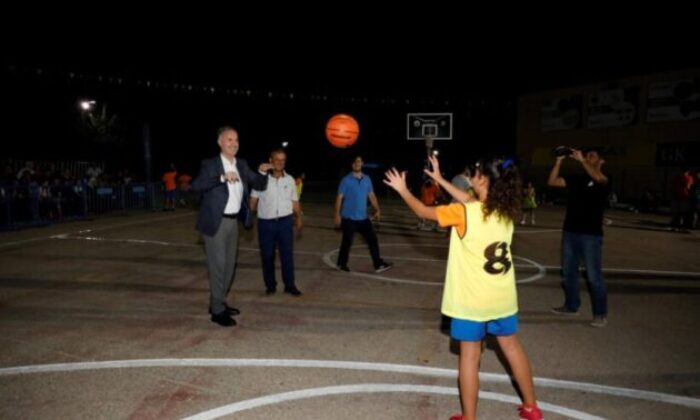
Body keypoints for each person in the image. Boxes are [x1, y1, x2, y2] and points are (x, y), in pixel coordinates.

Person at [383, 155, 542, 420]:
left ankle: (469, 417)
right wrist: (439, 179)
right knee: (512, 348)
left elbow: (424, 212)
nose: (471, 178)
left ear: (484, 181)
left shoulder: (463, 213)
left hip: (472, 301)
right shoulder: (505, 211)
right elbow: (472, 201)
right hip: (501, 297)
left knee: (469, 356)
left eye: (476, 174)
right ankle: (531, 406)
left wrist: (402, 190)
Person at [191, 126, 272, 327]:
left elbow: (259, 184)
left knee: (228, 268)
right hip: (216, 222)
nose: (234, 143)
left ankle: (217, 302)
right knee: (218, 267)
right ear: (220, 142)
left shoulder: (242, 164)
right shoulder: (210, 164)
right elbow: (196, 186)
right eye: (229, 139)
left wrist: (262, 172)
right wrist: (221, 178)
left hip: (233, 222)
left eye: (236, 139)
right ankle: (217, 312)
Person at [548, 147, 609, 328]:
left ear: (601, 161)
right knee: (568, 273)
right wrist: (559, 161)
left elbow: (598, 178)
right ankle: (571, 305)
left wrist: (582, 160)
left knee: (593, 276)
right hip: (570, 232)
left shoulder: (605, 179)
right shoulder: (577, 179)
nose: (588, 157)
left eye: (592, 155)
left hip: (591, 235)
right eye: (586, 154)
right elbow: (552, 181)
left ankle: (600, 313)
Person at [250, 148, 303, 296]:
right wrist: (248, 215)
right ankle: (270, 285)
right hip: (266, 224)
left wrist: (298, 218)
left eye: (283, 160)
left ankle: (290, 285)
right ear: (270, 160)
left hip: (285, 223)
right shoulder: (261, 180)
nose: (280, 162)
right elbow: (253, 201)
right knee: (267, 256)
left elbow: (295, 201)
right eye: (277, 159)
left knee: (287, 255)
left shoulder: (290, 180)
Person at [334, 156, 392, 273]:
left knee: (372, 240)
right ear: (352, 165)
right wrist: (337, 215)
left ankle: (378, 264)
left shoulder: (367, 179)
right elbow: (339, 198)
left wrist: (377, 209)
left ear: (362, 163)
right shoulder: (346, 180)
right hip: (348, 218)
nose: (357, 163)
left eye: (359, 161)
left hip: (363, 218)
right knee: (347, 242)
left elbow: (371, 195)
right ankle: (341, 263)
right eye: (355, 162)